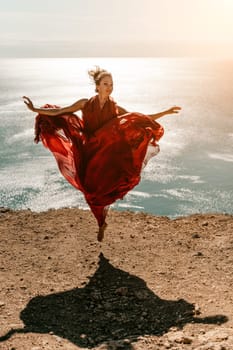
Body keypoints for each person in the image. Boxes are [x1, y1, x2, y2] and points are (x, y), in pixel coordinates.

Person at [23, 66, 181, 241]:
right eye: (105, 83)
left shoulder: (115, 107)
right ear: (97, 86)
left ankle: (102, 220)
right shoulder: (85, 103)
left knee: (107, 188)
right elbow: (59, 111)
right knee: (89, 190)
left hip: (108, 153)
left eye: (111, 84)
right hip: (89, 151)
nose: (109, 87)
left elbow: (140, 118)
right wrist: (35, 109)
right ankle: (101, 222)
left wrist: (165, 112)